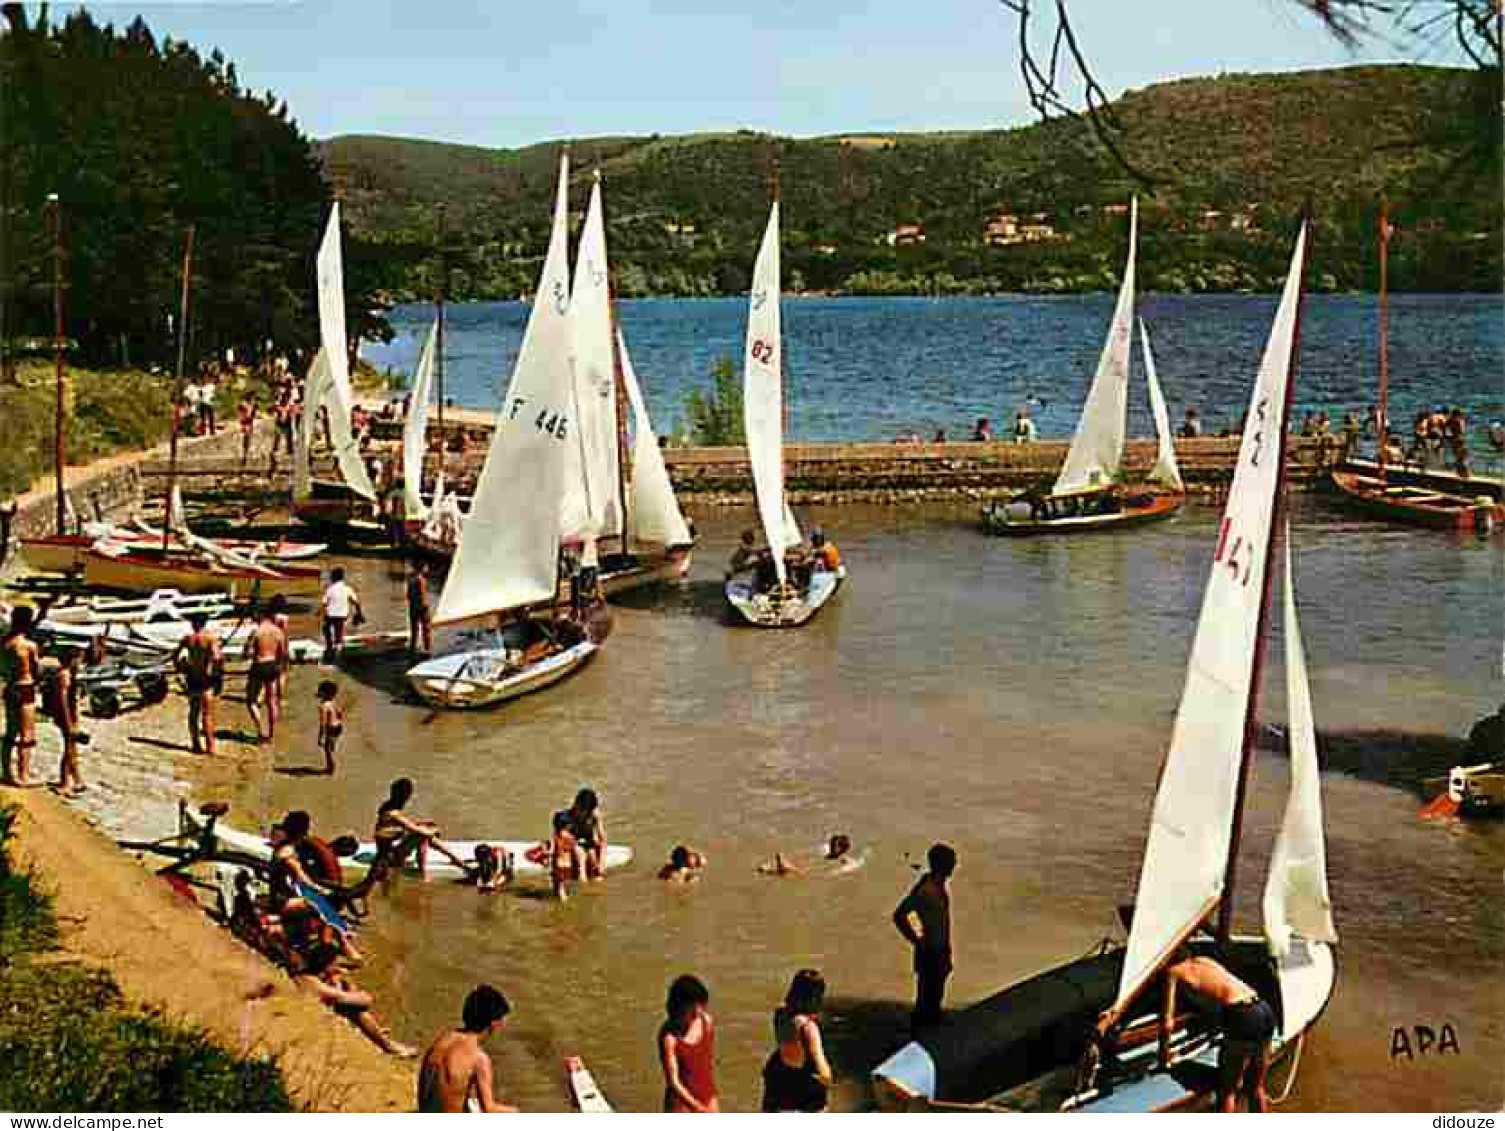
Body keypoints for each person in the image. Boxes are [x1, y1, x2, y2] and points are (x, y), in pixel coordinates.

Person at [1156, 948, 1276, 1112]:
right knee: (1255, 1086)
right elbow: (1217, 992)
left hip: (1242, 1015)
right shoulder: (1205, 960)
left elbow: (1167, 1024)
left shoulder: (1173, 972)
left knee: (1227, 1090)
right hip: (1263, 1007)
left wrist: (1163, 1055)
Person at [293, 940, 416, 1058]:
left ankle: (378, 1033)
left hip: (311, 1014)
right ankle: (389, 1047)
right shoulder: (319, 987)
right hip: (315, 1027)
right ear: (327, 966)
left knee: (350, 1003)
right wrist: (341, 983)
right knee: (357, 1012)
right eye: (336, 964)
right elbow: (366, 1000)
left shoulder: (304, 977)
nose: (338, 967)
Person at [417, 985, 518, 1112]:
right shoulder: (479, 1059)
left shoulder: (442, 1040)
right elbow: (489, 1109)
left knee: (470, 1098)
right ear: (494, 1024)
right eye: (502, 1022)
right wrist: (516, 1111)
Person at [892, 842, 956, 1030]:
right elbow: (899, 915)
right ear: (941, 864)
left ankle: (925, 1034)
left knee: (932, 1000)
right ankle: (921, 1038)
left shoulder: (935, 885)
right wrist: (917, 941)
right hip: (931, 951)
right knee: (927, 1003)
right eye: (951, 862)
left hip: (938, 950)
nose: (954, 865)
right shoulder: (927, 890)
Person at [761, 969, 834, 1112]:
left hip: (779, 1078)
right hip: (803, 1088)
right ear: (813, 998)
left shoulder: (780, 1014)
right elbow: (824, 1073)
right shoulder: (808, 1028)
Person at [373, 778, 471, 879]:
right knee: (421, 835)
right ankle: (423, 871)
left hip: (390, 853)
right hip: (389, 859)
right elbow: (417, 831)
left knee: (423, 830)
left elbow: (399, 827)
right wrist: (432, 831)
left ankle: (453, 859)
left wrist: (423, 825)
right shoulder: (393, 813)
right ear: (405, 795)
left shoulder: (387, 807)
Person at [658, 974, 720, 1113]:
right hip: (681, 1105)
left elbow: (705, 1065)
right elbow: (674, 1083)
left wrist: (711, 1102)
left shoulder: (707, 1022)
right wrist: (698, 1108)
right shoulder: (669, 1038)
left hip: (708, 1097)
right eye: (692, 1009)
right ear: (679, 1007)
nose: (698, 1012)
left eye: (700, 1006)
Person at [1, 605, 42, 787]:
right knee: (27, 735)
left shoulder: (5, 643)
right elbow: (36, 669)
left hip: (10, 687)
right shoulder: (28, 645)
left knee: (11, 732)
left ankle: (7, 772)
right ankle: (23, 775)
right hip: (26, 689)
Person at [172, 612, 222, 756]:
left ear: (193, 624)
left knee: (193, 713)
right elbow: (216, 657)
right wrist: (213, 673)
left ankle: (195, 744)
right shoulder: (210, 638)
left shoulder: (189, 639)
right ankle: (210, 747)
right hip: (206, 680)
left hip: (193, 678)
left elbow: (175, 654)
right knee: (207, 715)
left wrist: (180, 667)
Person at [245, 604, 288, 743]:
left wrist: (248, 652)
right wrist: (280, 667)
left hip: (258, 665)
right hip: (272, 665)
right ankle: (271, 734)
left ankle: (260, 730)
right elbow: (283, 653)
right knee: (272, 701)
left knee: (251, 700)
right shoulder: (278, 631)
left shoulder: (256, 632)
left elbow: (247, 652)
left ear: (259, 616)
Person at [47, 647, 85, 797]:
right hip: (66, 717)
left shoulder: (69, 674)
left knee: (73, 749)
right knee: (69, 749)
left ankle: (77, 779)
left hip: (70, 715)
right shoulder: (64, 675)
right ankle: (64, 783)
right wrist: (68, 722)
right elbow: (62, 700)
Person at [555, 787, 607, 880]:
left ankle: (593, 878)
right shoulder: (564, 817)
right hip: (571, 842)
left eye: (587, 811)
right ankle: (582, 881)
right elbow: (562, 837)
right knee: (581, 856)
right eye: (582, 810)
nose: (584, 813)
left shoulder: (594, 815)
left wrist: (601, 863)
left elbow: (603, 840)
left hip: (586, 840)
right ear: (576, 804)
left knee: (593, 857)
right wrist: (576, 847)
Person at [321, 567, 363, 658]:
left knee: (325, 628)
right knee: (338, 631)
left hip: (331, 615)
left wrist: (320, 613)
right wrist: (359, 613)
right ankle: (337, 646)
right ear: (342, 577)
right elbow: (356, 602)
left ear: (333, 577)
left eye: (331, 576)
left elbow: (324, 604)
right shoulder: (347, 589)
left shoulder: (330, 589)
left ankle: (330, 647)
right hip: (343, 615)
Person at [549, 810, 582, 902]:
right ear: (568, 825)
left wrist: (544, 855)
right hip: (568, 866)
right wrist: (578, 865)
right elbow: (576, 851)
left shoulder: (555, 836)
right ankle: (563, 901)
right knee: (562, 888)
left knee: (558, 888)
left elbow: (551, 851)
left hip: (558, 866)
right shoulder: (570, 837)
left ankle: (562, 906)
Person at [316, 679, 344, 775]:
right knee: (331, 746)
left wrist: (320, 737)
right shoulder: (333, 702)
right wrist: (339, 721)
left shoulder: (323, 706)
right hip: (338, 727)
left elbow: (323, 723)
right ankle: (331, 765)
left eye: (320, 690)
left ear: (323, 693)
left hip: (330, 728)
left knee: (327, 749)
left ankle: (330, 768)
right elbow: (340, 713)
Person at [407, 565, 433, 658]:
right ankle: (427, 649)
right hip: (421, 608)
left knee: (414, 630)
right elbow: (422, 596)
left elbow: (408, 596)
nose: (427, 568)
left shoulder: (411, 580)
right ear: (422, 569)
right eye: (426, 567)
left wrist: (413, 604)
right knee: (426, 629)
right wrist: (425, 607)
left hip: (412, 608)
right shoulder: (421, 580)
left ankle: (412, 649)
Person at [237, 398, 257, 466]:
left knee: (246, 442)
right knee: (244, 442)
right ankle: (244, 457)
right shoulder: (246, 406)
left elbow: (250, 418)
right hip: (245, 425)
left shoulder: (250, 407)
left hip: (247, 425)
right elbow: (243, 418)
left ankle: (245, 457)